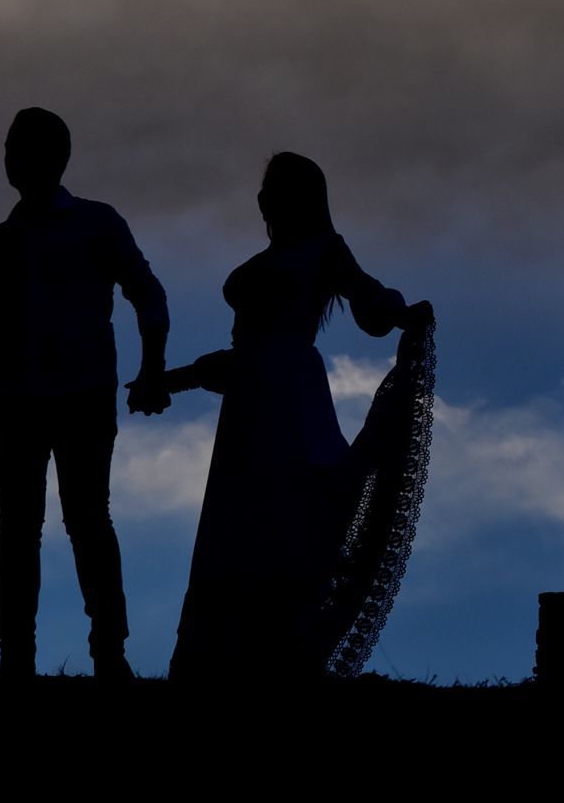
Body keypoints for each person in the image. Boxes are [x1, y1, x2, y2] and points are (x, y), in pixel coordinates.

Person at [166, 151, 433, 681]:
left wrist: (403, 314)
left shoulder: (325, 251)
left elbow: (369, 301)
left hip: (288, 392)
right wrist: (179, 378)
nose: (263, 199)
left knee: (281, 515)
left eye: (274, 189)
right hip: (251, 396)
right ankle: (229, 659)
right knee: (239, 521)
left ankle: (273, 653)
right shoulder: (280, 260)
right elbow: (243, 357)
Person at [0, 107, 171, 680]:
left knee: (85, 522)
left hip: (82, 398)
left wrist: (155, 367)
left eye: (16, 147)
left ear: (49, 157)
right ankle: (17, 657)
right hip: (14, 403)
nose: (8, 158)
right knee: (19, 530)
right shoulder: (2, 241)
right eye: (9, 147)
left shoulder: (97, 224)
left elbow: (149, 294)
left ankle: (107, 654)